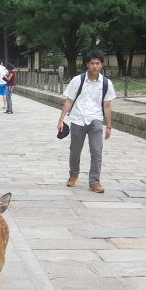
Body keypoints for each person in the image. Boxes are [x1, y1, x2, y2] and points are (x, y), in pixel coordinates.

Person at [57, 50, 116, 193]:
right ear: (87, 64)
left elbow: (107, 105)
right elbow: (69, 101)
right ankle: (73, 174)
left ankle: (94, 181)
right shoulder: (78, 80)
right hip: (78, 119)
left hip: (96, 119)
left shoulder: (106, 83)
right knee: (75, 151)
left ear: (101, 65)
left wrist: (109, 126)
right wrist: (61, 120)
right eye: (92, 63)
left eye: (97, 63)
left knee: (97, 151)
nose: (95, 66)